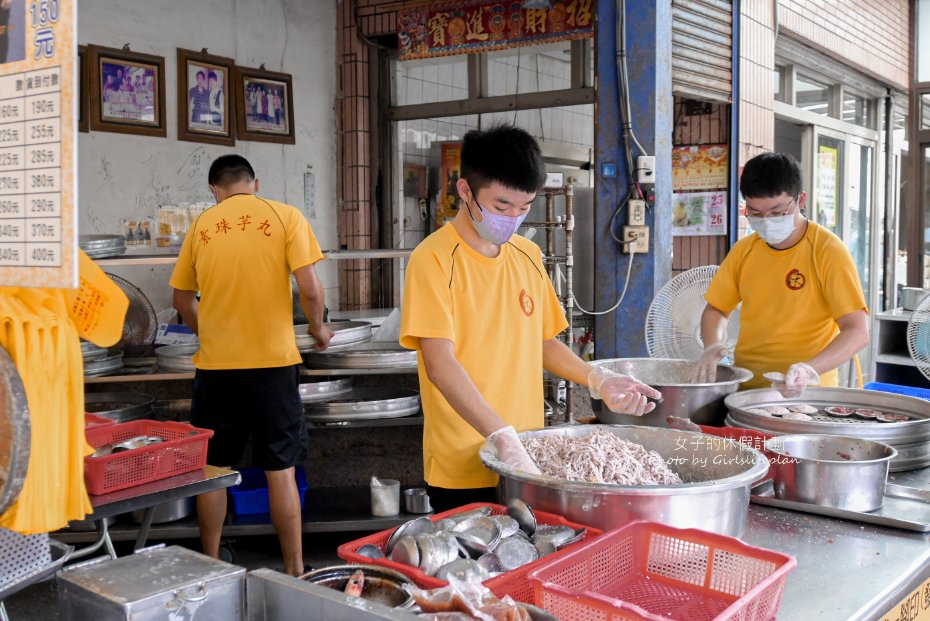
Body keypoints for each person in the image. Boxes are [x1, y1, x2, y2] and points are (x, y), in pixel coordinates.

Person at [400, 124, 661, 512]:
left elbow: (541, 342)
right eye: (502, 206)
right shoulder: (433, 259)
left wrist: (597, 379)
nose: (513, 218)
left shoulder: (526, 254)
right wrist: (500, 436)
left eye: (524, 208)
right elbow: (440, 365)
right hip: (463, 463)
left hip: (530, 454)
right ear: (465, 191)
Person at [170, 155, 333, 576]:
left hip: (217, 367)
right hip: (273, 364)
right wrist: (318, 328)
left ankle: (210, 563)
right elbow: (311, 289)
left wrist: (208, 333)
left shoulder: (202, 226)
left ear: (214, 190)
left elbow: (181, 300)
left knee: (215, 469)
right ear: (254, 183)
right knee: (280, 468)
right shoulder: (286, 216)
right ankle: (295, 569)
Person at [691, 152, 868, 394]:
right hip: (747, 389)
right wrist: (712, 345)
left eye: (776, 212)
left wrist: (808, 370)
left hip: (808, 392)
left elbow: (857, 330)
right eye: (754, 213)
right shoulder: (744, 250)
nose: (766, 221)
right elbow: (717, 309)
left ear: (800, 200)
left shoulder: (827, 250)